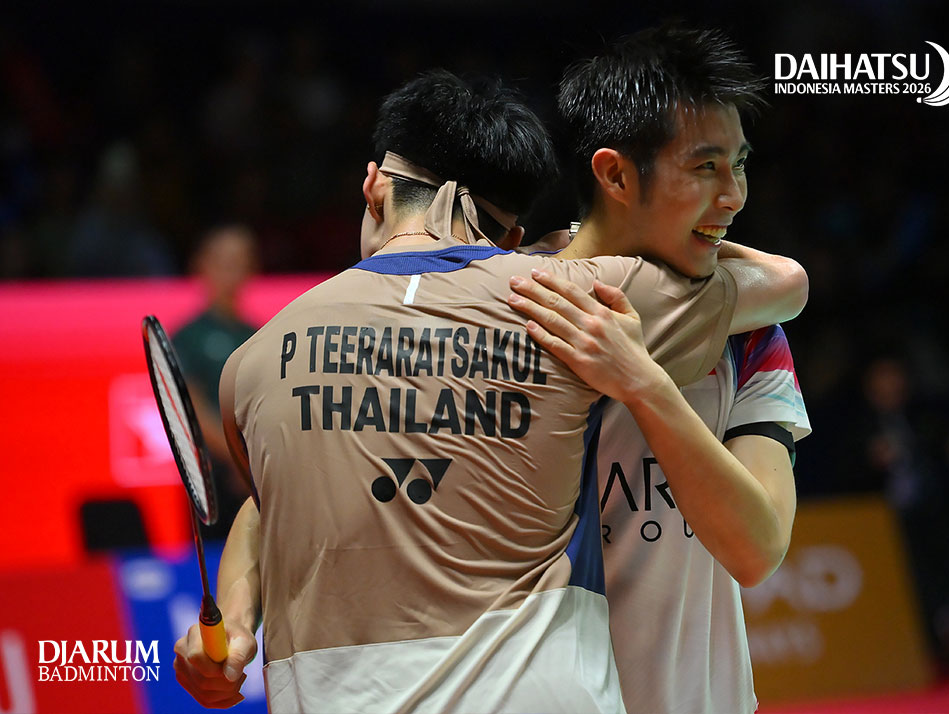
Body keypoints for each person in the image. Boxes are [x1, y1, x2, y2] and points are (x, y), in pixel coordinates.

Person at [173, 69, 805, 712]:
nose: (731, 193)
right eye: (708, 167)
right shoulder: (562, 297)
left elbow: (271, 498)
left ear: (373, 187)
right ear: (510, 236)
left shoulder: (252, 361)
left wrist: (235, 619)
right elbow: (786, 282)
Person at [506, 25, 810, 713]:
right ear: (616, 174)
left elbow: (756, 549)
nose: (733, 196)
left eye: (739, 165)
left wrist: (641, 382)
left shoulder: (747, 332)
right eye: (705, 167)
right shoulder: (511, 305)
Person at [172, 224, 259, 539]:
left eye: (239, 261)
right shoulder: (188, 337)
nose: (231, 271)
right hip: (211, 474)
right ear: (202, 265)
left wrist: (256, 464)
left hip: (255, 475)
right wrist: (238, 461)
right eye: (223, 261)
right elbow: (192, 411)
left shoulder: (258, 335)